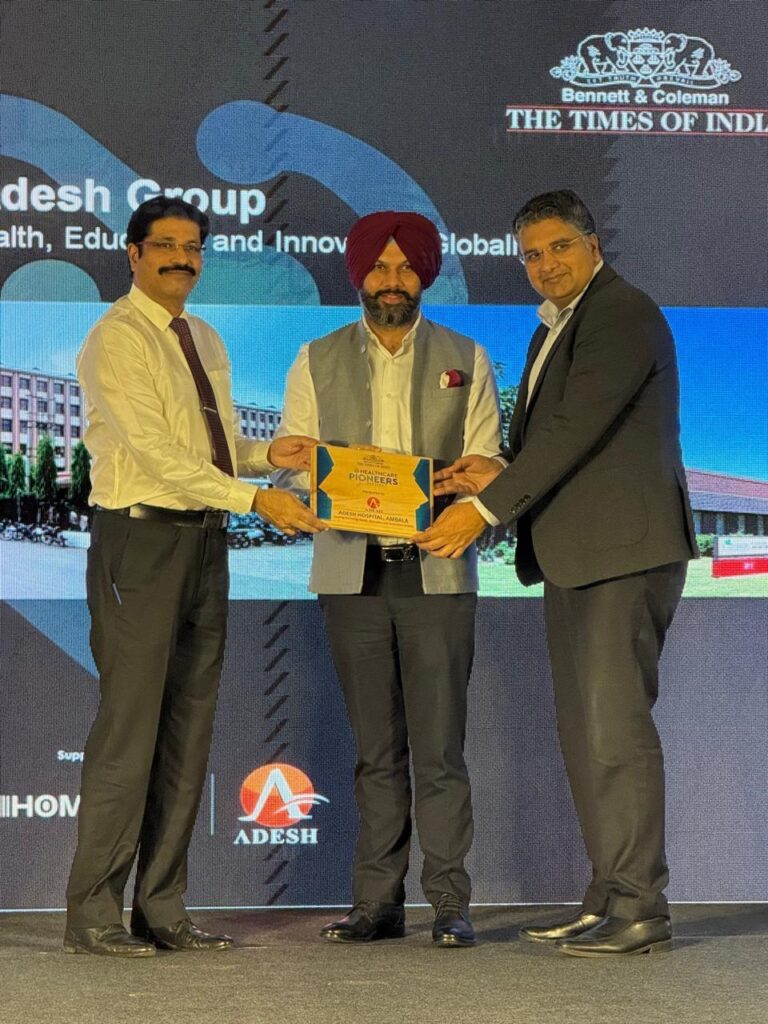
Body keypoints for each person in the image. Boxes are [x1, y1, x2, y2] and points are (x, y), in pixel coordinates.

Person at [414, 190, 697, 957]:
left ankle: (642, 908)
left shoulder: (621, 312)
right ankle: (608, 897)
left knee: (614, 733)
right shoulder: (554, 328)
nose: (545, 265)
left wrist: (484, 508)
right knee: (586, 735)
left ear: (593, 245)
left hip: (623, 555)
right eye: (532, 255)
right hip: (577, 556)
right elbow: (556, 437)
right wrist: (494, 468)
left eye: (559, 248)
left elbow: (576, 429)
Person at [65, 197, 324, 958]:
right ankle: (93, 916)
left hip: (206, 542)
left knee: (188, 730)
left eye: (193, 247)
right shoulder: (117, 337)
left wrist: (265, 457)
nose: (182, 258)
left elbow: (206, 451)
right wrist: (257, 498)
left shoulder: (203, 336)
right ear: (134, 254)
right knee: (130, 729)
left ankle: (163, 910)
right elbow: (154, 455)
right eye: (166, 245)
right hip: (140, 541)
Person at [272, 211, 502, 947]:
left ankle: (450, 903)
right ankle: (377, 903)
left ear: (424, 275)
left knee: (440, 750)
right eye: (379, 267)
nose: (392, 280)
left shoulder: (467, 356)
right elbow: (292, 459)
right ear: (359, 275)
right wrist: (305, 474)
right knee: (376, 750)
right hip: (352, 573)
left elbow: (489, 463)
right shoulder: (315, 358)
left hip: (437, 571)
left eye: (405, 267)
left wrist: (472, 485)